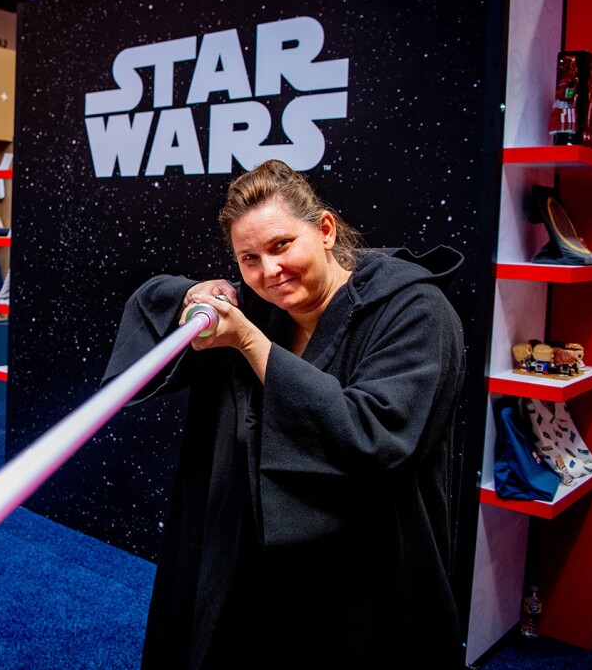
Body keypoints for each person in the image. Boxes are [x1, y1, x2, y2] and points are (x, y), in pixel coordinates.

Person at [103, 159, 466, 668]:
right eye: (248, 259)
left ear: (325, 230)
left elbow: (375, 436)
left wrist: (251, 343)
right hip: (257, 571)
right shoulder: (263, 307)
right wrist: (192, 292)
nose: (269, 272)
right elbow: (151, 302)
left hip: (358, 581)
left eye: (282, 246)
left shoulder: (416, 312)